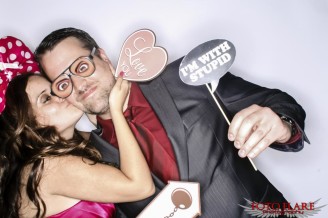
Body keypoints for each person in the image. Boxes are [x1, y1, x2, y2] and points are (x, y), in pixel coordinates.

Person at [35, 28, 309, 218]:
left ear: (103, 57)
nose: (79, 85)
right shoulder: (89, 159)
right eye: (62, 83)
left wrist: (282, 125)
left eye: (82, 66)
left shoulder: (186, 76)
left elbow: (277, 101)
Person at [0, 36, 154, 218]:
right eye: (47, 98)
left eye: (58, 87)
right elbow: (140, 187)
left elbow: (117, 147)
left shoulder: (70, 146)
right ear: (27, 125)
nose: (62, 95)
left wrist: (96, 110)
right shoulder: (47, 168)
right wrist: (116, 110)